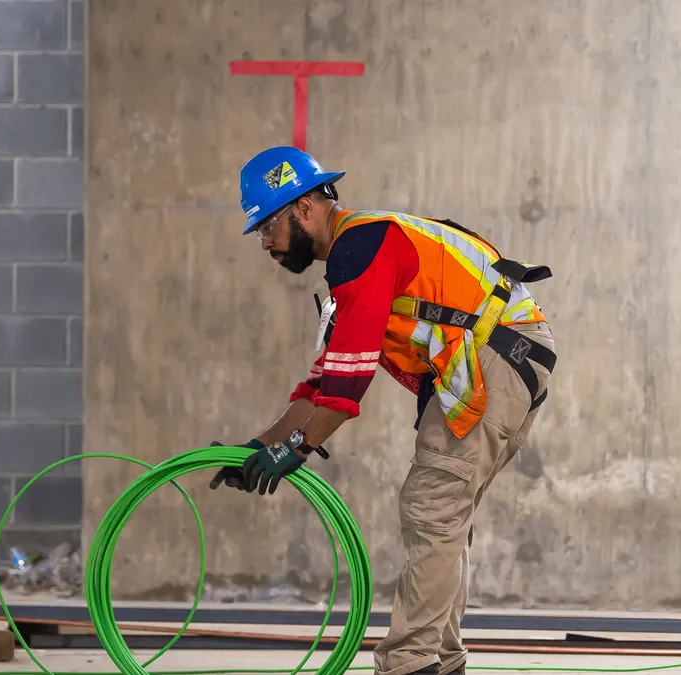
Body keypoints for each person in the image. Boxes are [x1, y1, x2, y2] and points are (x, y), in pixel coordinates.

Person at [209, 146, 558, 675]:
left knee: (434, 506)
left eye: (267, 226)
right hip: (501, 356)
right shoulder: (356, 261)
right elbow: (325, 380)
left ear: (303, 208)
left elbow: (348, 385)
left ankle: (410, 666)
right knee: (442, 514)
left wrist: (296, 448)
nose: (265, 243)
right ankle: (437, 661)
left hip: (500, 355)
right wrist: (261, 445)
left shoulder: (361, 246)